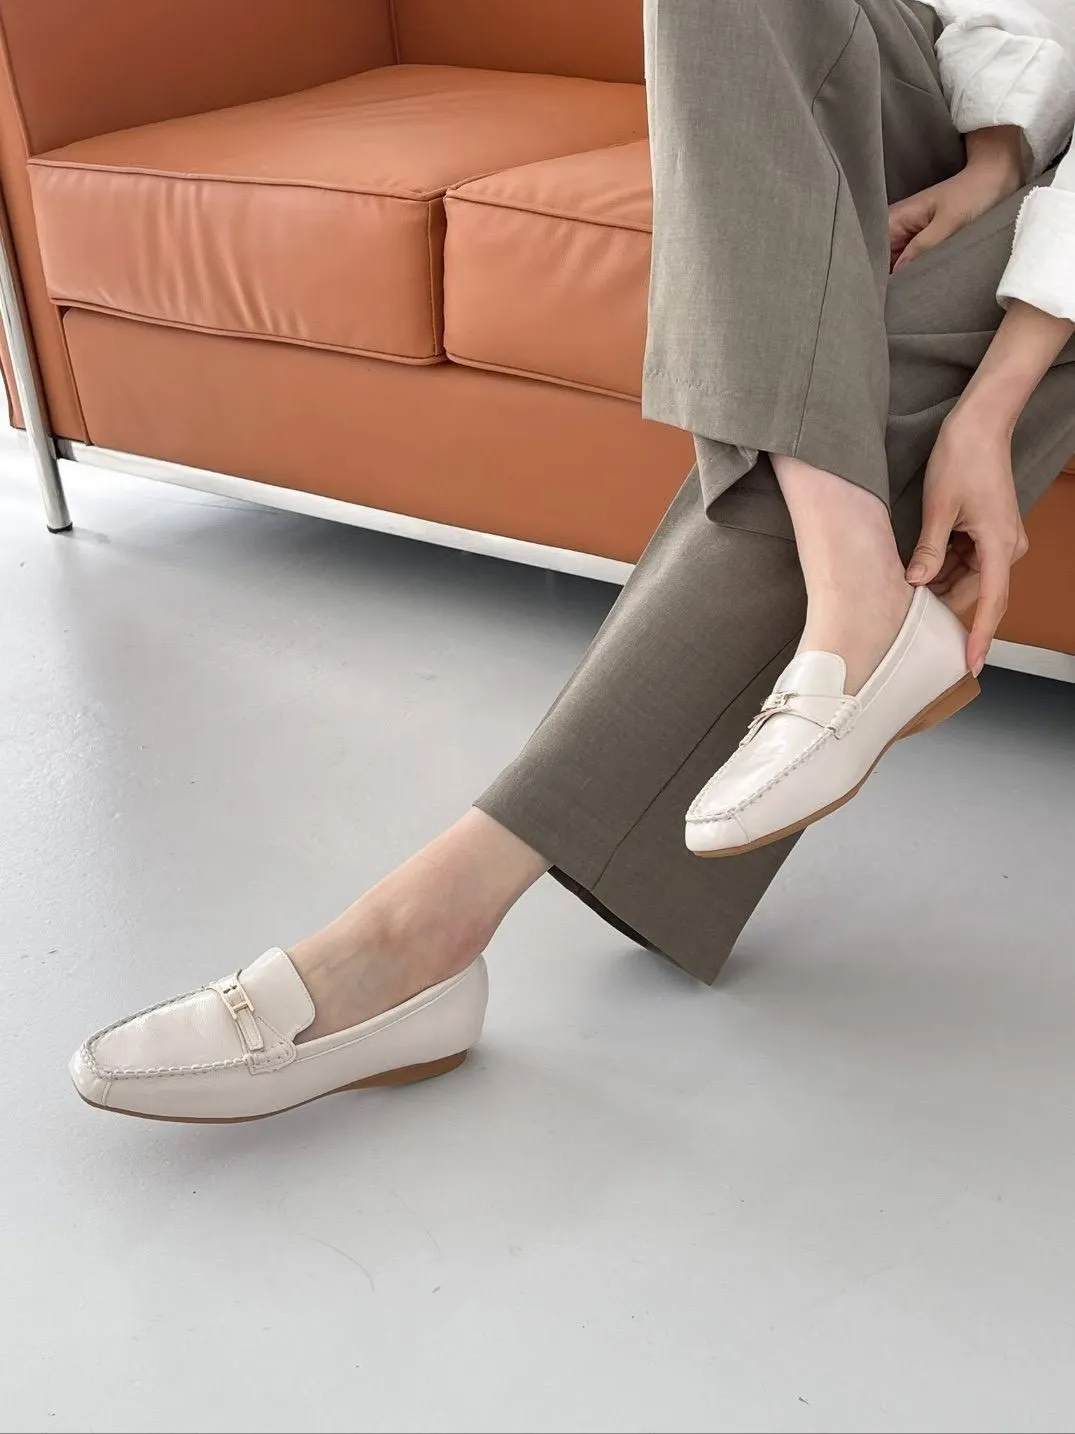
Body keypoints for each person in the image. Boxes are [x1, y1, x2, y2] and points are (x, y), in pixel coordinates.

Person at [70, 0, 1075, 1123]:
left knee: (863, 369)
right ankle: (858, 601)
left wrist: (995, 402)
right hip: (1006, 104)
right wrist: (997, 153)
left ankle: (421, 930)